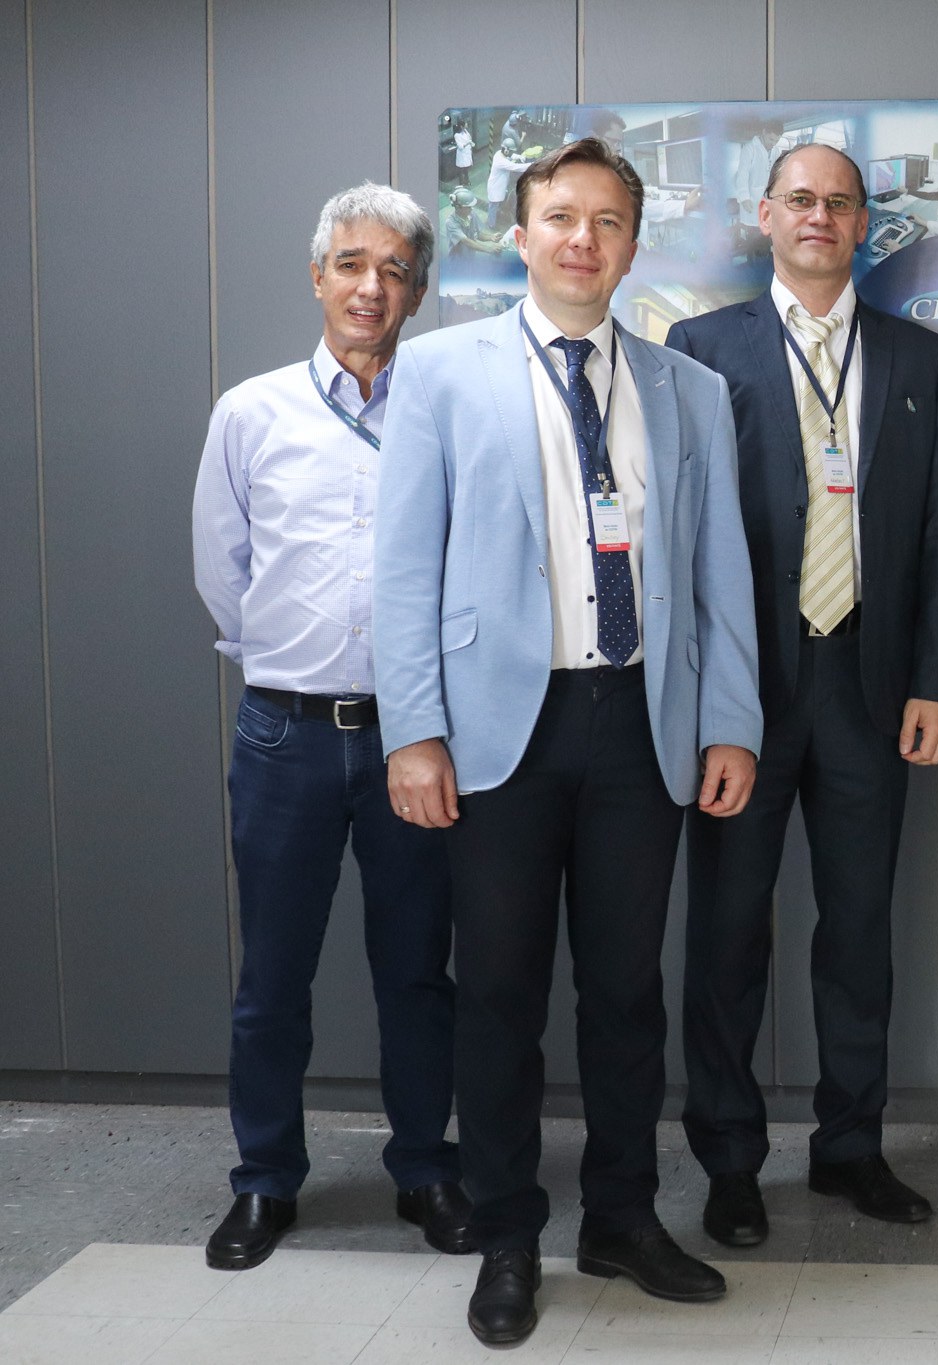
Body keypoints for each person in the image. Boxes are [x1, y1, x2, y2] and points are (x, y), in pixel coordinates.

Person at [375, 138, 762, 1346]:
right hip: (499, 731)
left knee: (626, 993)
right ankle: (505, 1233)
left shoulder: (687, 390)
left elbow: (719, 575)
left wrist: (732, 721)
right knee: (496, 991)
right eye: (558, 217)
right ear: (522, 235)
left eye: (605, 221)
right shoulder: (439, 374)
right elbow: (400, 573)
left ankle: (620, 1215)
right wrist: (414, 734)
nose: (581, 239)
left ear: (633, 246)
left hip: (638, 720)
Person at [664, 143, 938, 1249]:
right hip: (744, 698)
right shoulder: (700, 352)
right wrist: (704, 702)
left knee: (857, 935)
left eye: (840, 202)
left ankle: (850, 1148)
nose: (819, 217)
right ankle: (731, 1162)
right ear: (765, 214)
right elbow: (680, 540)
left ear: (863, 224)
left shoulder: (917, 359)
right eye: (800, 199)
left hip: (869, 692)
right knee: (729, 934)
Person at [191, 182, 468, 1275]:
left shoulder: (442, 405)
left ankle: (426, 1171)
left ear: (417, 292)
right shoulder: (251, 412)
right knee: (274, 977)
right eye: (352, 264)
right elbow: (225, 575)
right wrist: (289, 666)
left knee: (416, 972)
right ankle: (264, 1181)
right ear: (318, 276)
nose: (371, 287)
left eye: (395, 270)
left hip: (415, 740)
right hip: (286, 737)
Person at [443, 186, 509, 260]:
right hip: (457, 260)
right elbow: (466, 241)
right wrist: (489, 249)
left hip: (471, 257)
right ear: (458, 207)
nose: (471, 209)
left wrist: (491, 237)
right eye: (468, 207)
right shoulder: (451, 223)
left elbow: (477, 234)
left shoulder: (471, 214)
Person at [452, 118, 475, 188]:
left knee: (466, 169)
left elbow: (469, 138)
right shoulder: (457, 135)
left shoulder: (465, 131)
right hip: (462, 155)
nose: (467, 124)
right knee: (461, 170)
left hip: (467, 153)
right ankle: (461, 183)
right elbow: (460, 146)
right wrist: (468, 143)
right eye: (465, 123)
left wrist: (471, 143)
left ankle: (467, 181)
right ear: (461, 126)